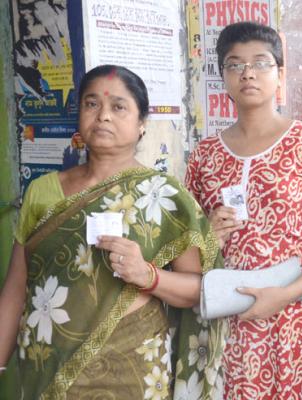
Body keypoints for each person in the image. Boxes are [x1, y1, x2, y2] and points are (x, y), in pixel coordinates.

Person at [0, 65, 223, 399]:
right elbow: (16, 288)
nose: (103, 115)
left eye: (119, 107)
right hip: (48, 364)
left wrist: (147, 275)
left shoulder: (164, 196)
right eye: (91, 104)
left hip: (133, 368)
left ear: (141, 123)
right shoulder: (42, 192)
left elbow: (199, 290)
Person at [184, 22, 302, 399]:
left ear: (280, 74)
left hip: (291, 322)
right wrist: (207, 235)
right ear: (223, 77)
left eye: (260, 63)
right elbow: (183, 245)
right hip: (225, 323)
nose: (247, 73)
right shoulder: (204, 155)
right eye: (234, 64)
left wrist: (288, 293)